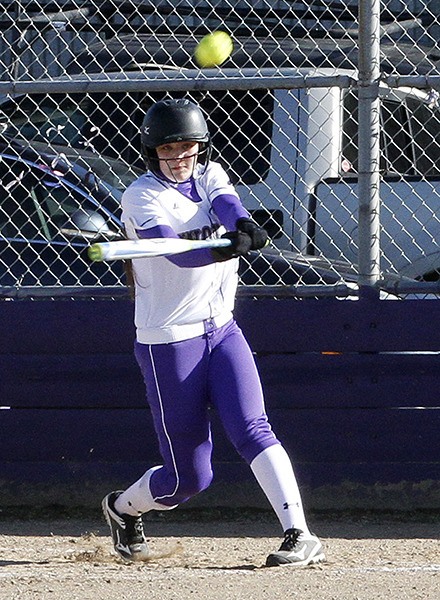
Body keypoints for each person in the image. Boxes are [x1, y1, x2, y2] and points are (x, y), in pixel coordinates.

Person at [101, 98, 325, 568]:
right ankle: (123, 508)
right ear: (151, 152)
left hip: (221, 330)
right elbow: (177, 253)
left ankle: (298, 533)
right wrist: (224, 249)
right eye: (169, 150)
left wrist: (242, 225)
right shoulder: (141, 196)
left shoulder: (209, 175)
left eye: (188, 148)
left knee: (253, 428)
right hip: (169, 341)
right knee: (189, 479)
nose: (180, 158)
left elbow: (227, 204)